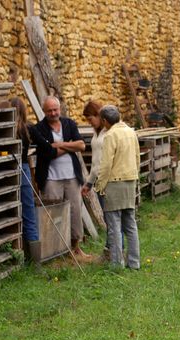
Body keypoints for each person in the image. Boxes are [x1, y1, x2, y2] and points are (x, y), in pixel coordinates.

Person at [31, 96, 92, 261]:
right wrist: (69, 145)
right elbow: (49, 153)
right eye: (49, 110)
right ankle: (54, 250)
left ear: (60, 109)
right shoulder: (39, 129)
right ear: (44, 111)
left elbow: (82, 145)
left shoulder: (69, 124)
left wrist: (58, 144)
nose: (53, 113)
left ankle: (75, 248)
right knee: (52, 214)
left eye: (55, 109)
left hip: (72, 176)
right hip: (51, 178)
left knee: (75, 212)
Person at [93, 105, 141, 270]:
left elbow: (106, 164)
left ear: (105, 121)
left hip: (114, 182)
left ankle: (116, 264)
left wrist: (100, 185)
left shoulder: (110, 135)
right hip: (130, 180)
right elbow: (136, 157)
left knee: (114, 225)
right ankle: (134, 263)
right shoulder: (131, 131)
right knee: (130, 223)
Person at [10, 97, 40, 267]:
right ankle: (35, 263)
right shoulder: (27, 128)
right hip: (22, 170)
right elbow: (44, 145)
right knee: (29, 213)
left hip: (5, 172)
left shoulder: (5, 128)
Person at [79, 100, 112, 259]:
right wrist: (89, 183)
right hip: (98, 181)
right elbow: (95, 162)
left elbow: (106, 161)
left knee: (111, 217)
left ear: (99, 115)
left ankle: (112, 251)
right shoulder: (97, 132)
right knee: (108, 217)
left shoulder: (109, 132)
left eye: (90, 119)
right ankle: (111, 249)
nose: (89, 123)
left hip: (108, 180)